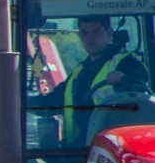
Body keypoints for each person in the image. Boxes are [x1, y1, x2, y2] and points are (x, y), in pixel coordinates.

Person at [48, 15, 150, 146]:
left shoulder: (126, 63)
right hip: (78, 150)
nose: (90, 38)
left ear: (109, 33)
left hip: (113, 148)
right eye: (85, 33)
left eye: (96, 32)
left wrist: (122, 81)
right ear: (79, 35)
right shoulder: (79, 72)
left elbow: (138, 91)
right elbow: (54, 99)